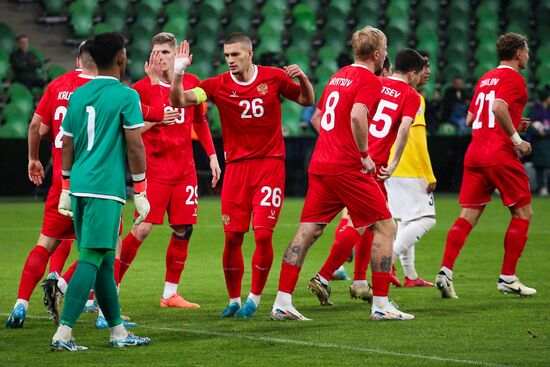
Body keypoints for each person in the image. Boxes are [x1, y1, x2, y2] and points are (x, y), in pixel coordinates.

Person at [270, 26, 414, 321]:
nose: (386, 55)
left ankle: (282, 302)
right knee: (386, 228)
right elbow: (358, 115)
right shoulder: (369, 80)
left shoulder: (337, 77)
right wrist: (364, 154)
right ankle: (382, 305)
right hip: (348, 167)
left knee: (308, 230)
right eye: (385, 50)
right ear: (377, 54)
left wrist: (335, 140)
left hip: (322, 163)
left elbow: (317, 118)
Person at [170, 32, 314, 318]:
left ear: (249, 54)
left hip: (269, 166)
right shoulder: (216, 85)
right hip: (236, 169)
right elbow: (178, 101)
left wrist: (304, 79)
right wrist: (178, 72)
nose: (230, 60)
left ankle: (254, 299)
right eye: (226, 56)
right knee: (232, 238)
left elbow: (305, 100)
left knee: (262, 236)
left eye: (235, 55)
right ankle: (234, 300)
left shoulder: (273, 78)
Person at [50, 32, 152, 351]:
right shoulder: (126, 96)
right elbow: (135, 145)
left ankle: (118, 331)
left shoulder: (78, 95)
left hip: (79, 184)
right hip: (105, 188)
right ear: (121, 58)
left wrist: (66, 184)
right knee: (92, 257)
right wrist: (142, 188)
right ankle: (63, 333)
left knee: (106, 260)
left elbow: (66, 142)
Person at [307, 49, 424, 306]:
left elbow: (329, 116)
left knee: (369, 225)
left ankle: (359, 281)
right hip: (370, 165)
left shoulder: (374, 84)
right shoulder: (409, 95)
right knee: (370, 224)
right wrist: (393, 162)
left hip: (351, 158)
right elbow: (404, 128)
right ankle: (327, 276)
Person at [118, 32, 220, 309]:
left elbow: (200, 122)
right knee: (143, 228)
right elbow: (133, 131)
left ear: (177, 55)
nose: (160, 58)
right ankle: (109, 288)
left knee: (183, 230)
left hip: (184, 170)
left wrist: (211, 155)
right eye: (157, 53)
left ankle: (170, 294)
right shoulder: (139, 89)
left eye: (166, 52)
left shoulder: (192, 83)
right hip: (154, 170)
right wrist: (158, 119)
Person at [435, 33, 536, 299]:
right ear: (517, 54)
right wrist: (517, 139)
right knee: (523, 213)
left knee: (468, 215)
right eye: (526, 51)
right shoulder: (515, 78)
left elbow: (471, 118)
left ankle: (445, 271)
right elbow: (498, 108)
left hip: (475, 153)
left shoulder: (485, 78)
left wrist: (514, 122)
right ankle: (507, 278)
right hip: (499, 154)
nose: (528, 56)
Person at [6, 40, 97, 329]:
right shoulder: (106, 88)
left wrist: (33, 159)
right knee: (105, 250)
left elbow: (36, 127)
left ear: (78, 60)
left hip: (61, 180)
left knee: (45, 243)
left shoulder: (58, 85)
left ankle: (20, 303)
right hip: (95, 183)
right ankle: (67, 288)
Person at [386, 50, 437, 288]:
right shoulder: (413, 97)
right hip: (409, 166)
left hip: (389, 164)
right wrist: (429, 173)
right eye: (424, 67)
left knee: (407, 220)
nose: (427, 72)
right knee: (427, 219)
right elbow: (416, 138)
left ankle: (411, 275)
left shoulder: (386, 90)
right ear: (413, 71)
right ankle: (387, 262)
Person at [527, 88, 550, 196]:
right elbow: (528, 125)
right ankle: (541, 188)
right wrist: (538, 132)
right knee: (540, 167)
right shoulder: (535, 110)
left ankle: (546, 187)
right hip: (538, 144)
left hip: (548, 142)